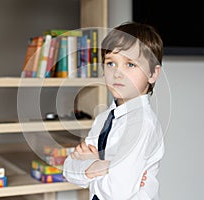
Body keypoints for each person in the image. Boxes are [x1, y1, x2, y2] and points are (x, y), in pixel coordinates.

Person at [63, 22, 165, 200]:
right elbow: (68, 169)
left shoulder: (141, 124)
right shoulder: (104, 119)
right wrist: (103, 165)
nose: (117, 73)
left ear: (152, 74)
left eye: (130, 65)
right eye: (111, 63)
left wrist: (91, 168)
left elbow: (117, 192)